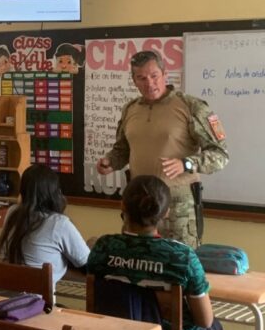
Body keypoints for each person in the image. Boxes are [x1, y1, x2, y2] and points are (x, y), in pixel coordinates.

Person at [88, 175, 225, 330]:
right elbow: (204, 320)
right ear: (166, 212)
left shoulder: (104, 247)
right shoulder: (181, 256)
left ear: (122, 205)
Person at [96, 50, 229, 247]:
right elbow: (122, 150)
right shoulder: (130, 109)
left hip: (178, 208)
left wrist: (186, 163)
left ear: (165, 74)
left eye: (154, 76)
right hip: (138, 206)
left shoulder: (190, 106)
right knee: (137, 266)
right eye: (141, 78)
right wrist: (110, 162)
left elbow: (220, 154)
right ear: (133, 80)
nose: (149, 83)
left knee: (179, 268)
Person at [0, 164, 90, 287]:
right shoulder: (59, 223)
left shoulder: (12, 213)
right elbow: (88, 265)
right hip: (33, 304)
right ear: (55, 193)